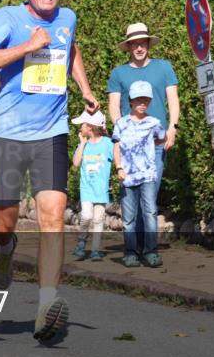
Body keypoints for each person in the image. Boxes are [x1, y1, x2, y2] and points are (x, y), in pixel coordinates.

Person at [0, 0, 99, 342]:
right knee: (5, 220)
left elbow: (72, 49)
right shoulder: (8, 18)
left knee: (53, 215)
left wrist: (83, 88)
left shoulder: (67, 18)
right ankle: (4, 248)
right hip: (8, 132)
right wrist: (29, 46)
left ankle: (47, 305)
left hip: (50, 132)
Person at [106, 23, 179, 253]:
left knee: (150, 194)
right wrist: (121, 134)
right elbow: (114, 106)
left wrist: (173, 128)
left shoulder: (164, 67)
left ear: (148, 44)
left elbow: (173, 100)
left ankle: (145, 247)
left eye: (142, 43)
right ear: (128, 47)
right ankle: (135, 246)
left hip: (156, 144)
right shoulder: (119, 73)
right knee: (131, 194)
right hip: (130, 146)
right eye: (134, 44)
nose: (139, 47)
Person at [113, 81, 167, 267]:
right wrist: (119, 167)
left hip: (148, 176)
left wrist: (147, 157)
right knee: (129, 218)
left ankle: (151, 252)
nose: (142, 103)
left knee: (150, 213)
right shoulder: (121, 124)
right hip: (127, 177)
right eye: (138, 99)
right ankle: (130, 253)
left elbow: (161, 140)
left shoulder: (154, 123)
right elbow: (116, 146)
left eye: (146, 99)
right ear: (130, 101)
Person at [71, 109, 114, 261]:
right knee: (87, 215)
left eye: (81, 125)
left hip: (101, 189)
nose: (79, 128)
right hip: (87, 189)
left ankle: (95, 250)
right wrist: (82, 144)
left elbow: (118, 157)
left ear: (89, 127)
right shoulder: (83, 144)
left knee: (98, 218)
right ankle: (81, 244)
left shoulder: (108, 144)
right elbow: (76, 163)